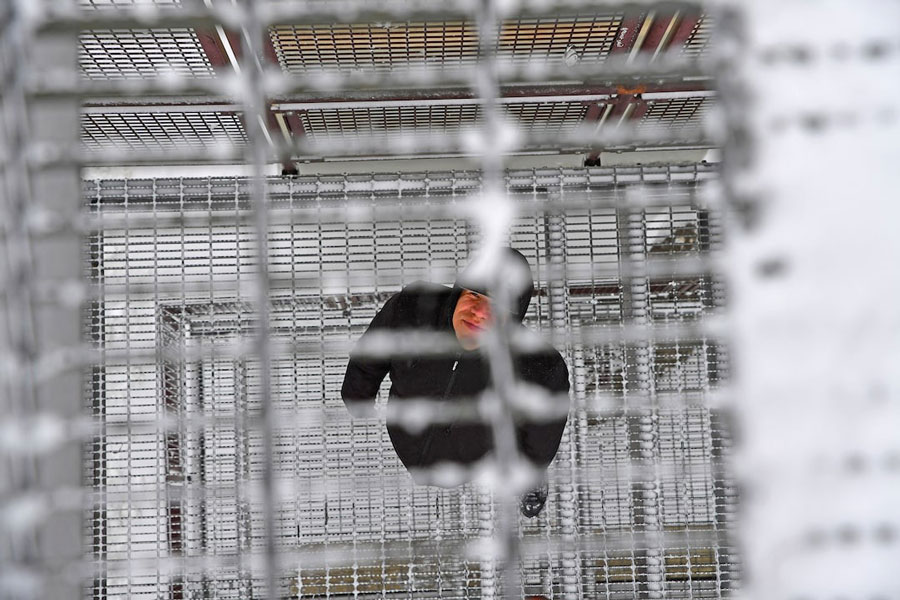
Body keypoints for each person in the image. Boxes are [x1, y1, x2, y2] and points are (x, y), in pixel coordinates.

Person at [341, 247, 570, 517]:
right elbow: (373, 351)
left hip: (476, 456)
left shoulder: (538, 367)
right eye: (474, 295)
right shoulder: (413, 310)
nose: (479, 313)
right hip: (406, 436)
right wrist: (357, 392)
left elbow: (544, 433)